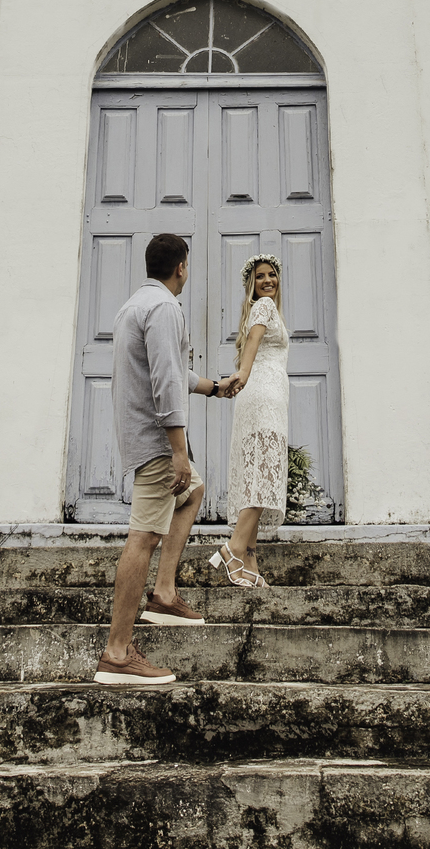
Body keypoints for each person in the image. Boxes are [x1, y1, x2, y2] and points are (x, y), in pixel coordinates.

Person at [94, 231, 238, 685]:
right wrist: (178, 450)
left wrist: (214, 387)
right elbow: (165, 382)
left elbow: (174, 370)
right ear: (181, 268)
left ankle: (164, 592)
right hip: (157, 441)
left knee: (194, 491)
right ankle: (117, 653)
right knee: (144, 537)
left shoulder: (134, 306)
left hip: (145, 436)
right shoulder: (164, 309)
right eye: (188, 266)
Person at [211, 253, 289, 589]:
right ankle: (234, 549)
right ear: (251, 284)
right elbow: (254, 343)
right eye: (260, 276)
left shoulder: (264, 309)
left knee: (255, 471)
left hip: (257, 396)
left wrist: (243, 379)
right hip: (264, 397)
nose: (267, 280)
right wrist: (241, 374)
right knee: (263, 473)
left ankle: (249, 562)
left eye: (272, 275)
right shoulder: (265, 307)